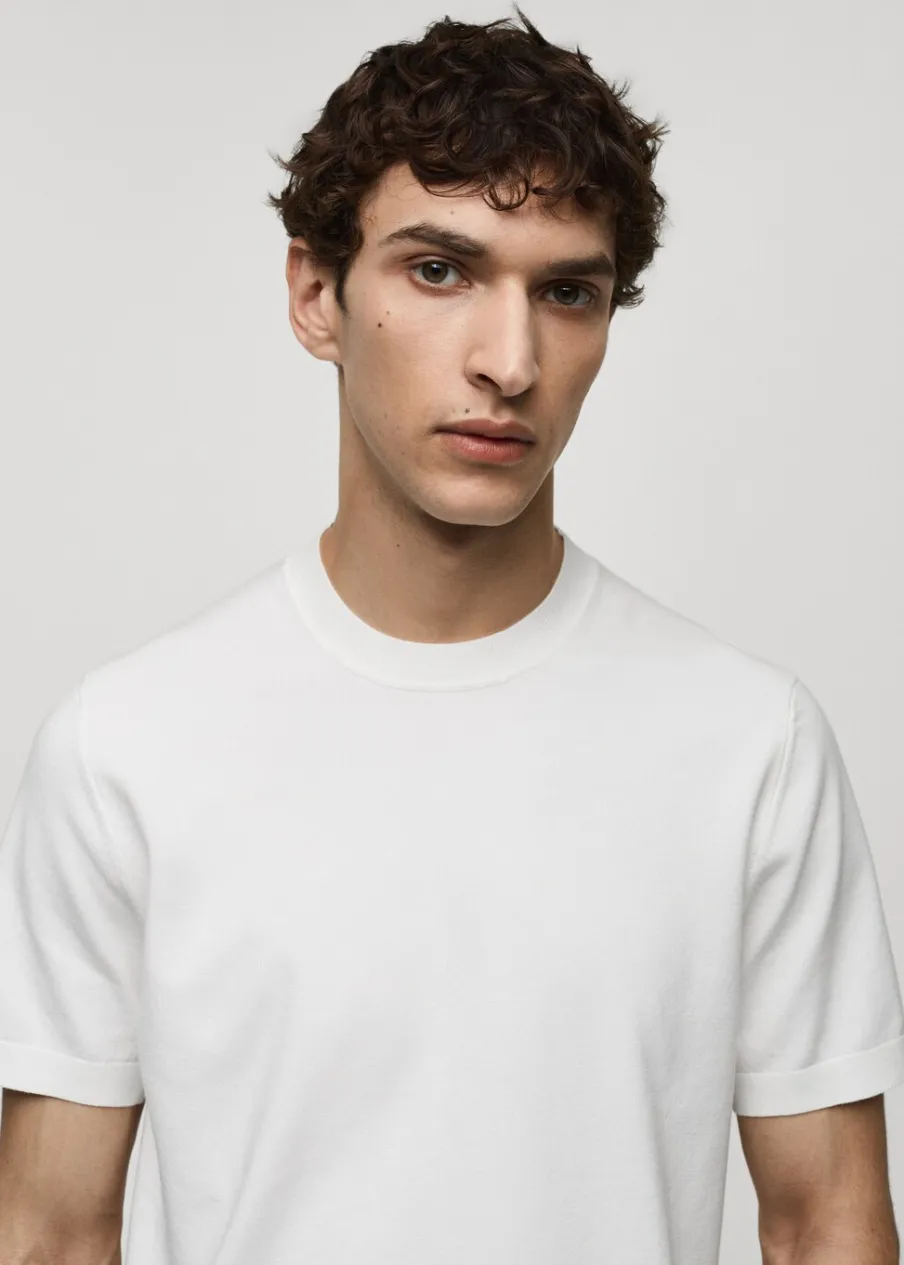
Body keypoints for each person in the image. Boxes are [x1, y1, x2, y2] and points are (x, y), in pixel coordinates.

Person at [1, 8, 902, 1265]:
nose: (510, 361)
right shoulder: (127, 745)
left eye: (567, 292)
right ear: (315, 295)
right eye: (440, 270)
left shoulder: (750, 741)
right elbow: (50, 1232)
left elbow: (825, 1222)